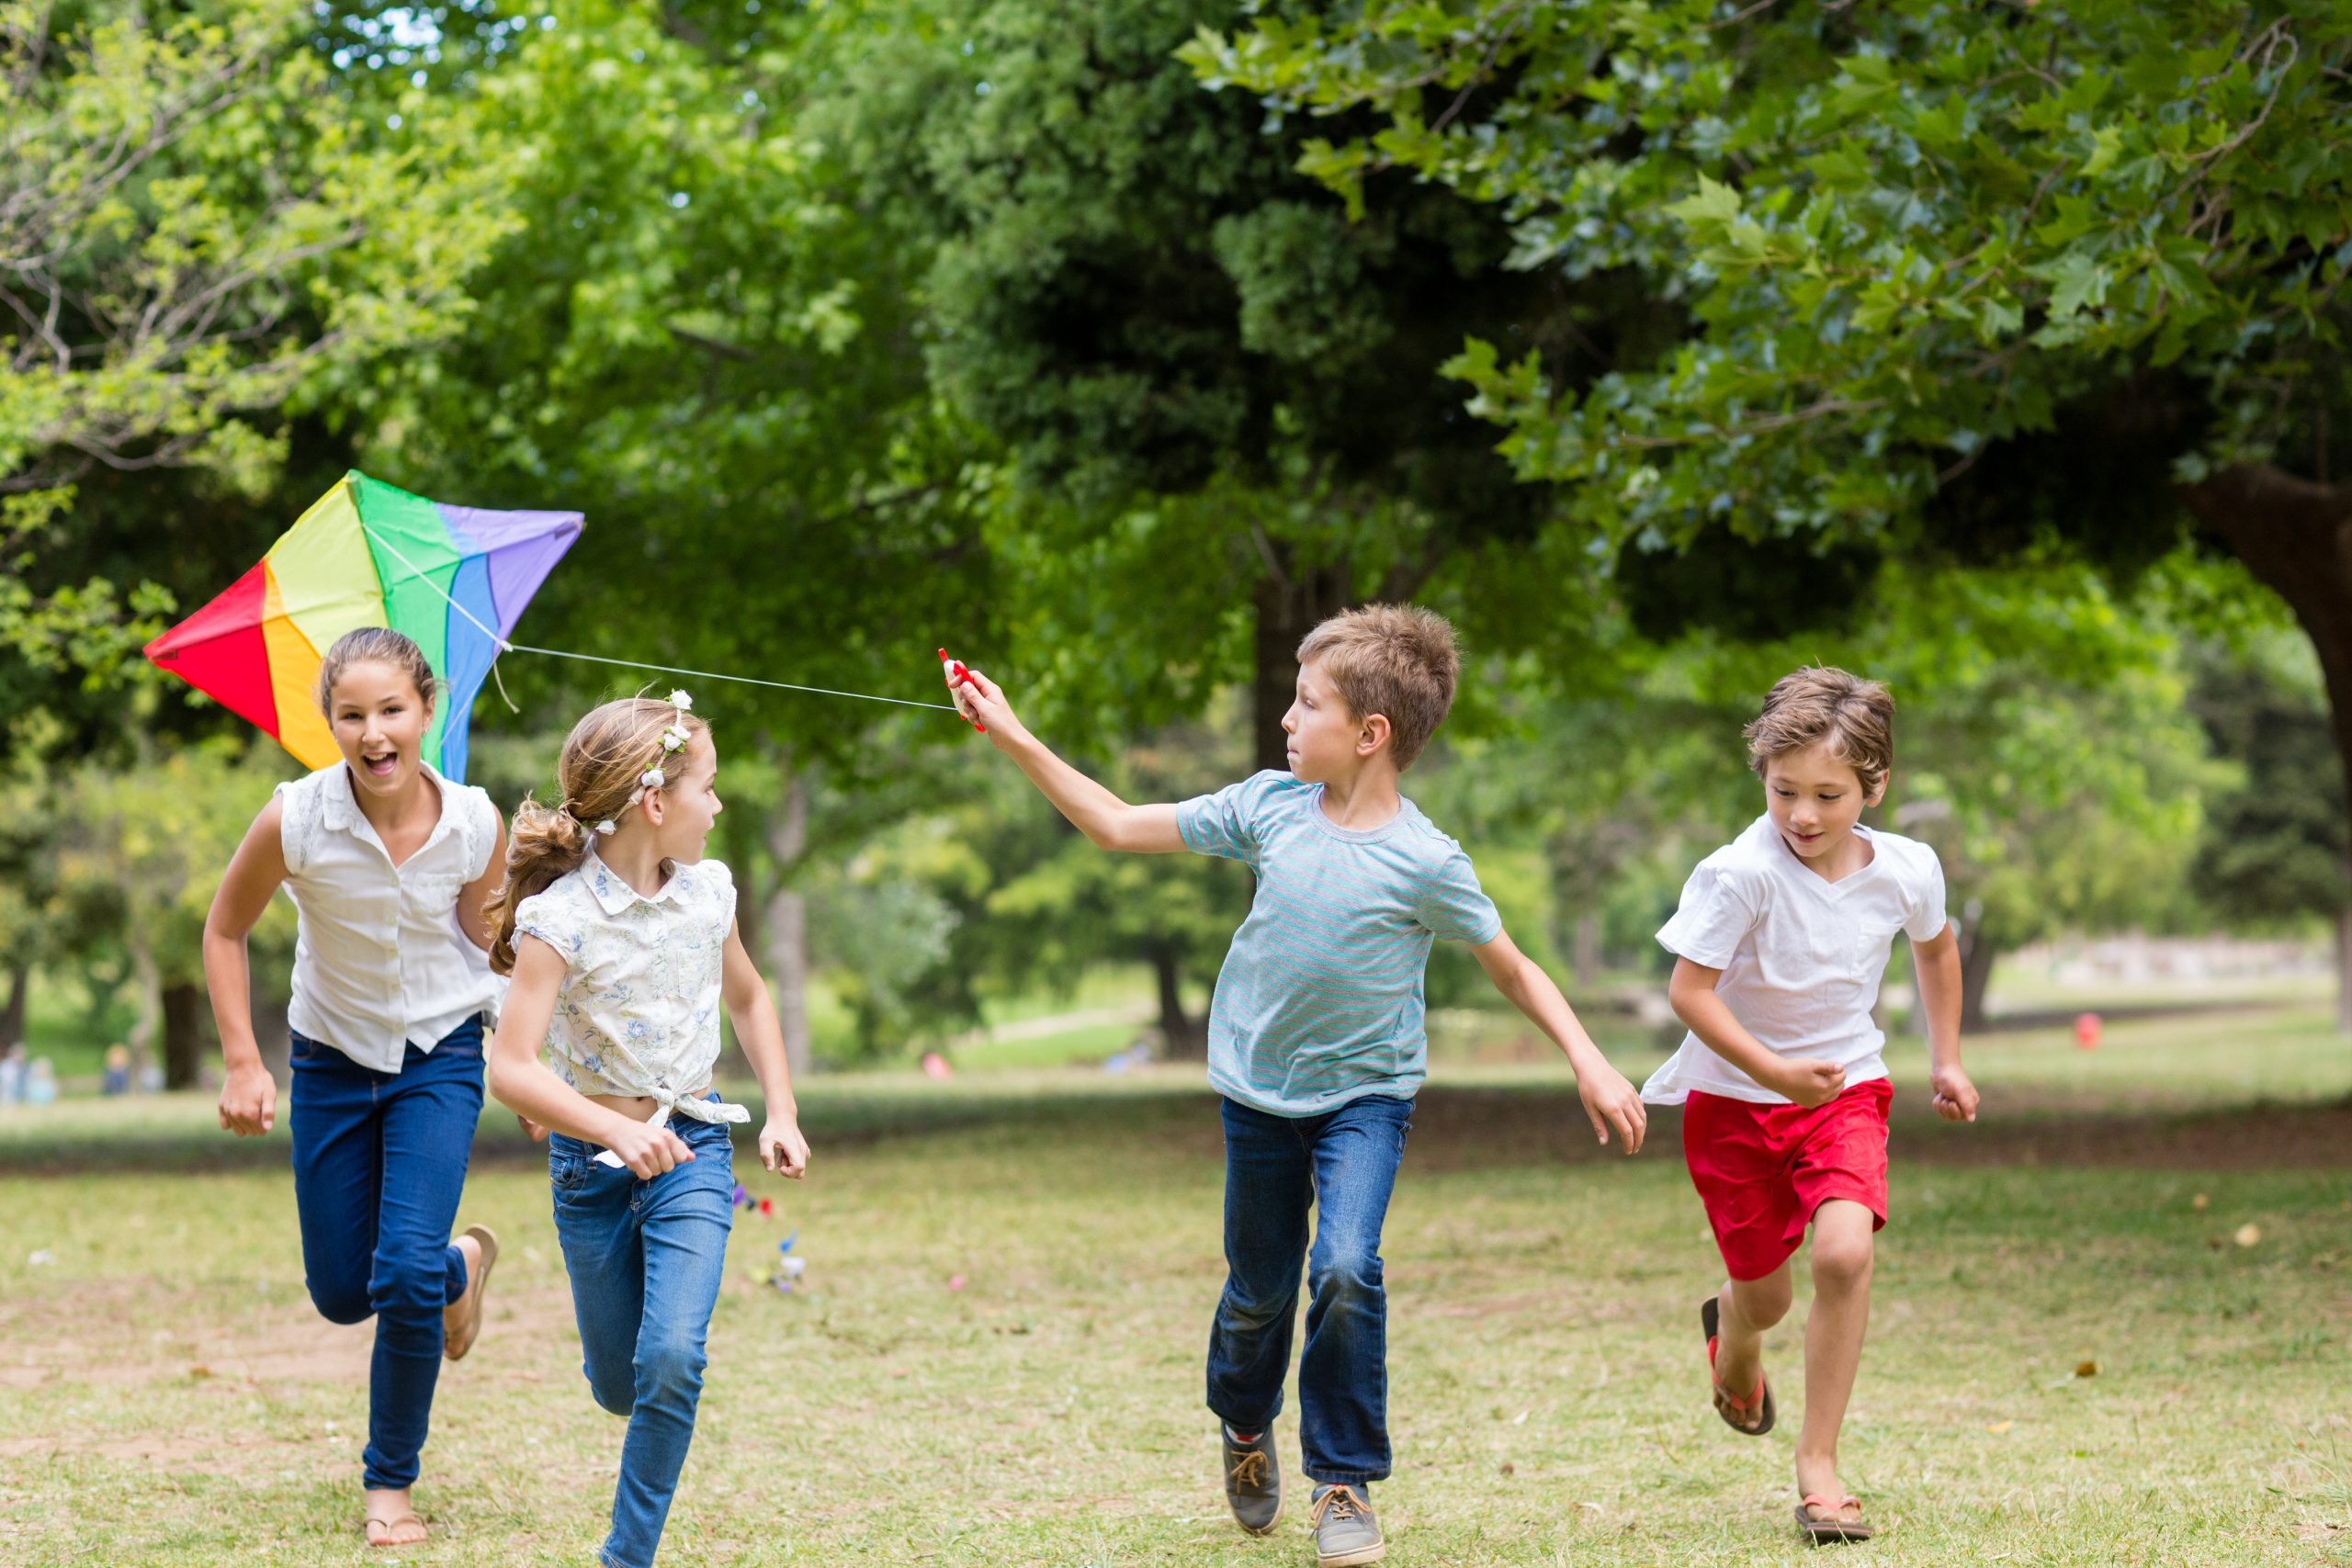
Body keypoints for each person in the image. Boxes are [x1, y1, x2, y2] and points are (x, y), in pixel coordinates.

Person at [948, 605, 1645, 1568]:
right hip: (1258, 1097)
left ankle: (1343, 1482)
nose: (1284, 717)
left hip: (1366, 1099)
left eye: (1305, 702)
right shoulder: (1267, 808)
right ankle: (1244, 1424)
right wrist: (1013, 732)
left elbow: (1514, 967)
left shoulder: (1426, 860)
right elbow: (1112, 824)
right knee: (1258, 1291)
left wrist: (1589, 1057)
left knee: (1347, 1269)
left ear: (1370, 734)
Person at [1644, 666, 1979, 1544]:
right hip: (1731, 1102)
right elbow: (1691, 993)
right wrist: (1774, 1071)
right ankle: (1738, 1342)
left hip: (1845, 1090)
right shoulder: (1737, 874)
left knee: (1842, 1253)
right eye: (1783, 789)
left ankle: (1819, 1466)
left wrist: (1945, 1057)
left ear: (1875, 785)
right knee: (1767, 1296)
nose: (1801, 813)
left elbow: (1937, 952)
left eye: (1828, 794)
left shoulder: (1908, 868)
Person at [482, 691, 809, 1568]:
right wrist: (612, 1134)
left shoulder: (710, 896)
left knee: (671, 1357)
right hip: (590, 1174)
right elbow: (509, 1068)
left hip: (694, 1148)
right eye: (708, 786)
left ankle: (626, 1555)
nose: (718, 805)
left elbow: (746, 994)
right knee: (622, 1384)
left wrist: (778, 1108)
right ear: (655, 802)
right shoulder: (560, 919)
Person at [202, 626, 508, 1548]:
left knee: (400, 1275)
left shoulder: (474, 823)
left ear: (427, 711)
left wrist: (530, 1067)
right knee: (344, 1291)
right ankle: (459, 1268)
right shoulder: (295, 818)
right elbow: (224, 931)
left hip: (440, 1059)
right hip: (331, 1061)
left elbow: (489, 946)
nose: (373, 732)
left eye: (391, 711)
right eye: (351, 714)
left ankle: (391, 1487)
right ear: (328, 722)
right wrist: (244, 1062)